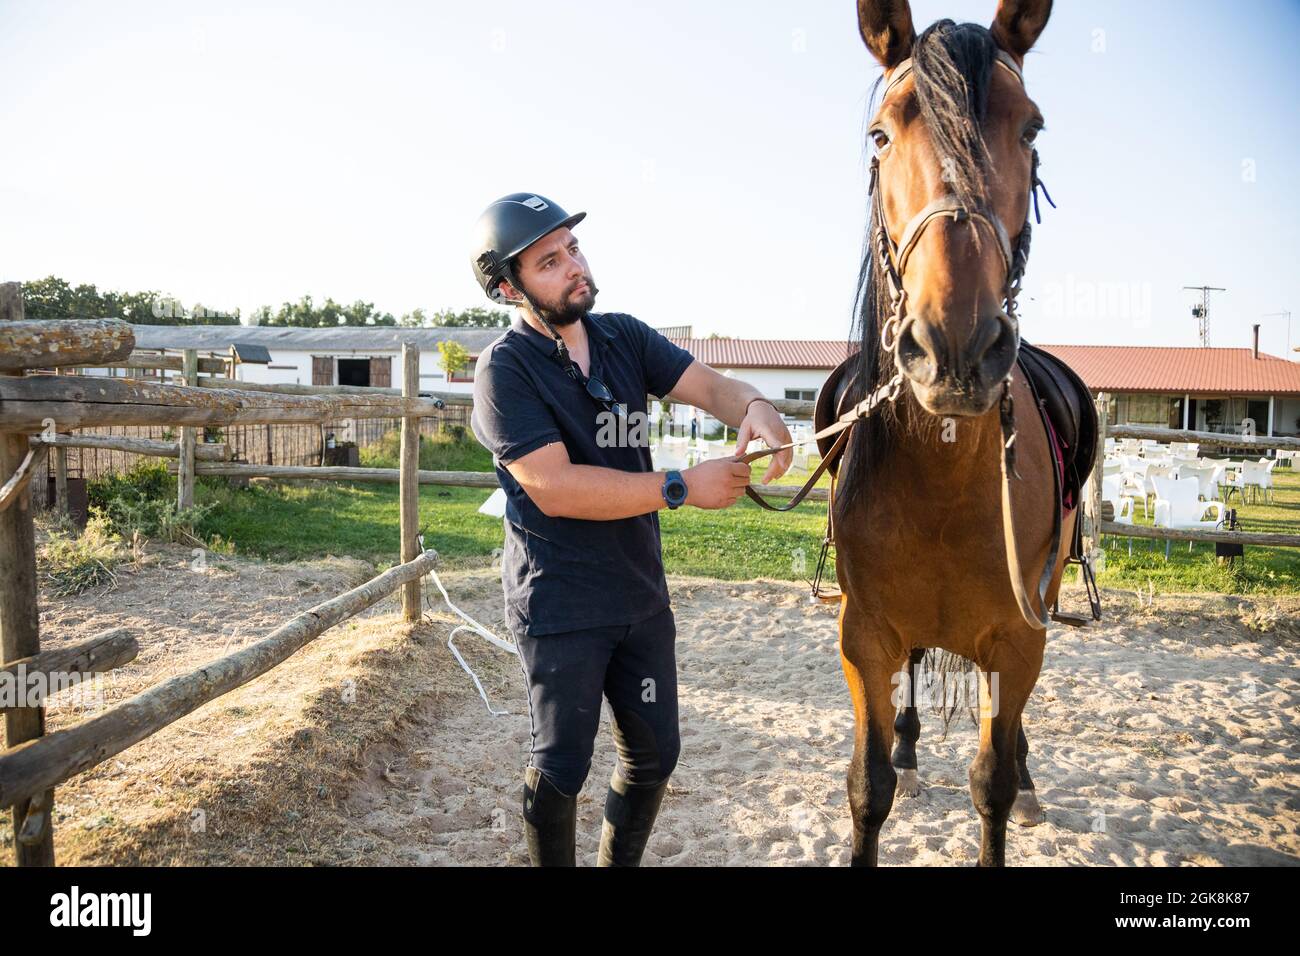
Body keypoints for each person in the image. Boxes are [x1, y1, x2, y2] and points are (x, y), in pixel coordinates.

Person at [468, 192, 792, 866]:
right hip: (559, 601)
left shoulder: (624, 337)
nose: (573, 267)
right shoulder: (504, 370)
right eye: (549, 261)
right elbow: (553, 488)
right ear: (508, 286)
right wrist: (680, 487)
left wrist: (757, 406)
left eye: (573, 250)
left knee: (654, 754)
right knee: (562, 765)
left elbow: (710, 387)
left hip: (639, 592)